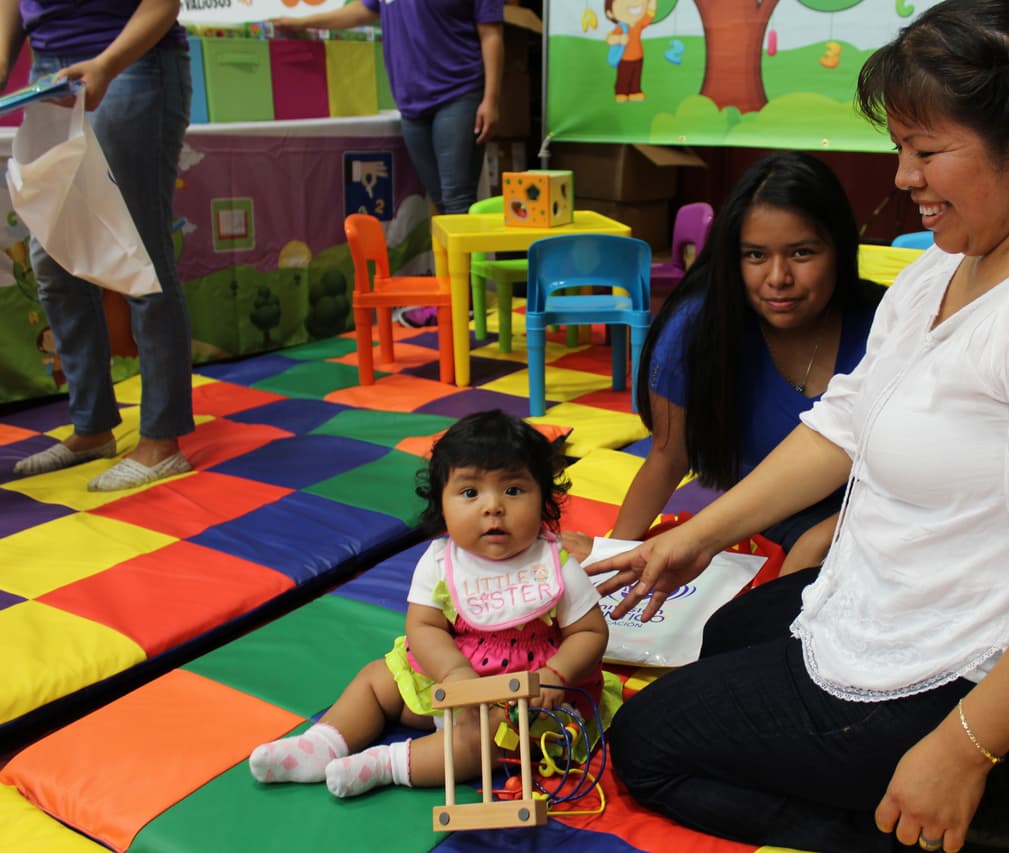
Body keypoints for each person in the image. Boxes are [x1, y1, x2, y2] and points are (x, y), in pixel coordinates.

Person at [588, 2, 1009, 851]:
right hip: (899, 598)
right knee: (725, 632)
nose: (904, 177)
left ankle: (994, 806)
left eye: (926, 151)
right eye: (899, 150)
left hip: (973, 678)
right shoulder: (950, 258)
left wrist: (960, 749)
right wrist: (698, 534)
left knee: (645, 746)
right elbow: (844, 420)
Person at [249, 410, 611, 799]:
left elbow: (590, 631)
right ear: (442, 503)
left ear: (544, 499)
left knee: (489, 740)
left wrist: (557, 674)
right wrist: (453, 671)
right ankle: (324, 743)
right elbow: (423, 626)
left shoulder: (554, 565)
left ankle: (388, 764)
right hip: (444, 681)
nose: (493, 507)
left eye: (513, 490)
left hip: (521, 699)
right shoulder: (441, 562)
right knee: (376, 679)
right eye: (470, 493)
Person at [563, 151, 884, 576]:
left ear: (840, 250)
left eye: (802, 253)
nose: (777, 277)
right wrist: (609, 555)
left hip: (872, 518)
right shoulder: (698, 329)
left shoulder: (885, 322)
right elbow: (666, 457)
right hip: (750, 520)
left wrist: (827, 533)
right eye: (754, 255)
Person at [3, 0, 194, 491]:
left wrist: (108, 63)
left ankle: (161, 438)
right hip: (51, 72)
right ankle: (92, 427)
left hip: (129, 60)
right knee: (53, 258)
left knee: (138, 251)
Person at [272, 0, 503, 216]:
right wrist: (302, 22)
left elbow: (491, 34)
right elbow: (362, 11)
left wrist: (491, 100)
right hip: (412, 102)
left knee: (457, 200)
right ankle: (451, 260)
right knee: (441, 202)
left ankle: (464, 260)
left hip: (459, 92)